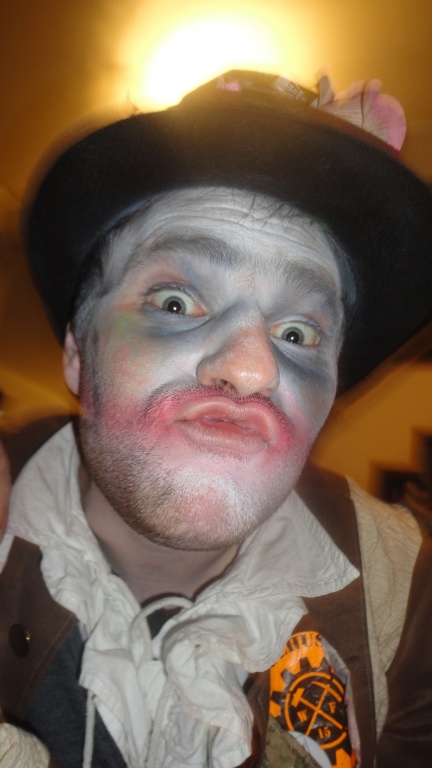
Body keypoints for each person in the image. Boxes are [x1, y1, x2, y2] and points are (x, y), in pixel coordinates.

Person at [0, 70, 432, 768]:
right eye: (175, 303)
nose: (252, 369)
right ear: (79, 353)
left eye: (298, 334)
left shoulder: (409, 598)